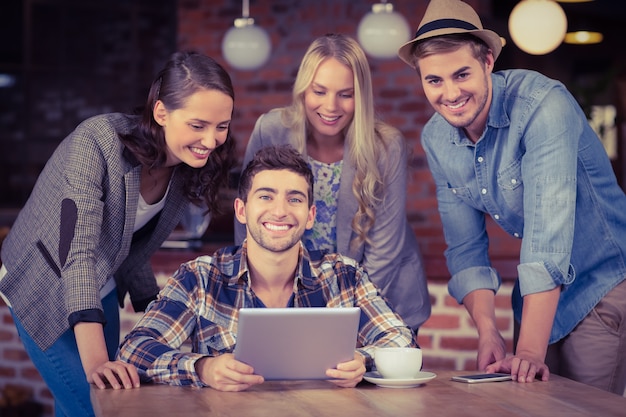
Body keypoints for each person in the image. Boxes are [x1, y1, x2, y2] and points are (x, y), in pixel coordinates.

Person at [397, 0, 626, 395]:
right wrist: (488, 332)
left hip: (600, 282)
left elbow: (546, 239)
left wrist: (530, 350)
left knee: (582, 406)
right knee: (529, 401)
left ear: (487, 61)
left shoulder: (543, 106)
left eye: (461, 74)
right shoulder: (437, 138)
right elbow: (465, 247)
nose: (450, 93)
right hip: (535, 298)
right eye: (434, 80)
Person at [0, 51, 237, 416]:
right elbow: (75, 253)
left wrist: (160, 317)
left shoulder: (186, 164)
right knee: (96, 404)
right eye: (198, 125)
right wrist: (96, 363)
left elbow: (131, 244)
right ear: (161, 113)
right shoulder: (97, 142)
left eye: (221, 126)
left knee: (99, 402)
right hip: (43, 278)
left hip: (101, 279)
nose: (211, 139)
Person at [117, 145, 416, 391]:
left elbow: (402, 342)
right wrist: (201, 367)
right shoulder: (201, 277)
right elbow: (134, 349)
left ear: (310, 216)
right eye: (266, 196)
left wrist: (361, 361)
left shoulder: (343, 276)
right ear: (241, 210)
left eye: (294, 199)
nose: (280, 211)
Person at [234, 33, 430, 333]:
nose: (331, 106)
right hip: (288, 300)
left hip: (379, 299)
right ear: (303, 90)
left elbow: (385, 251)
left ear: (360, 96)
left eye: (346, 94)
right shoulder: (270, 130)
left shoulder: (386, 146)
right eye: (319, 91)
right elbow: (249, 223)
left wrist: (342, 321)